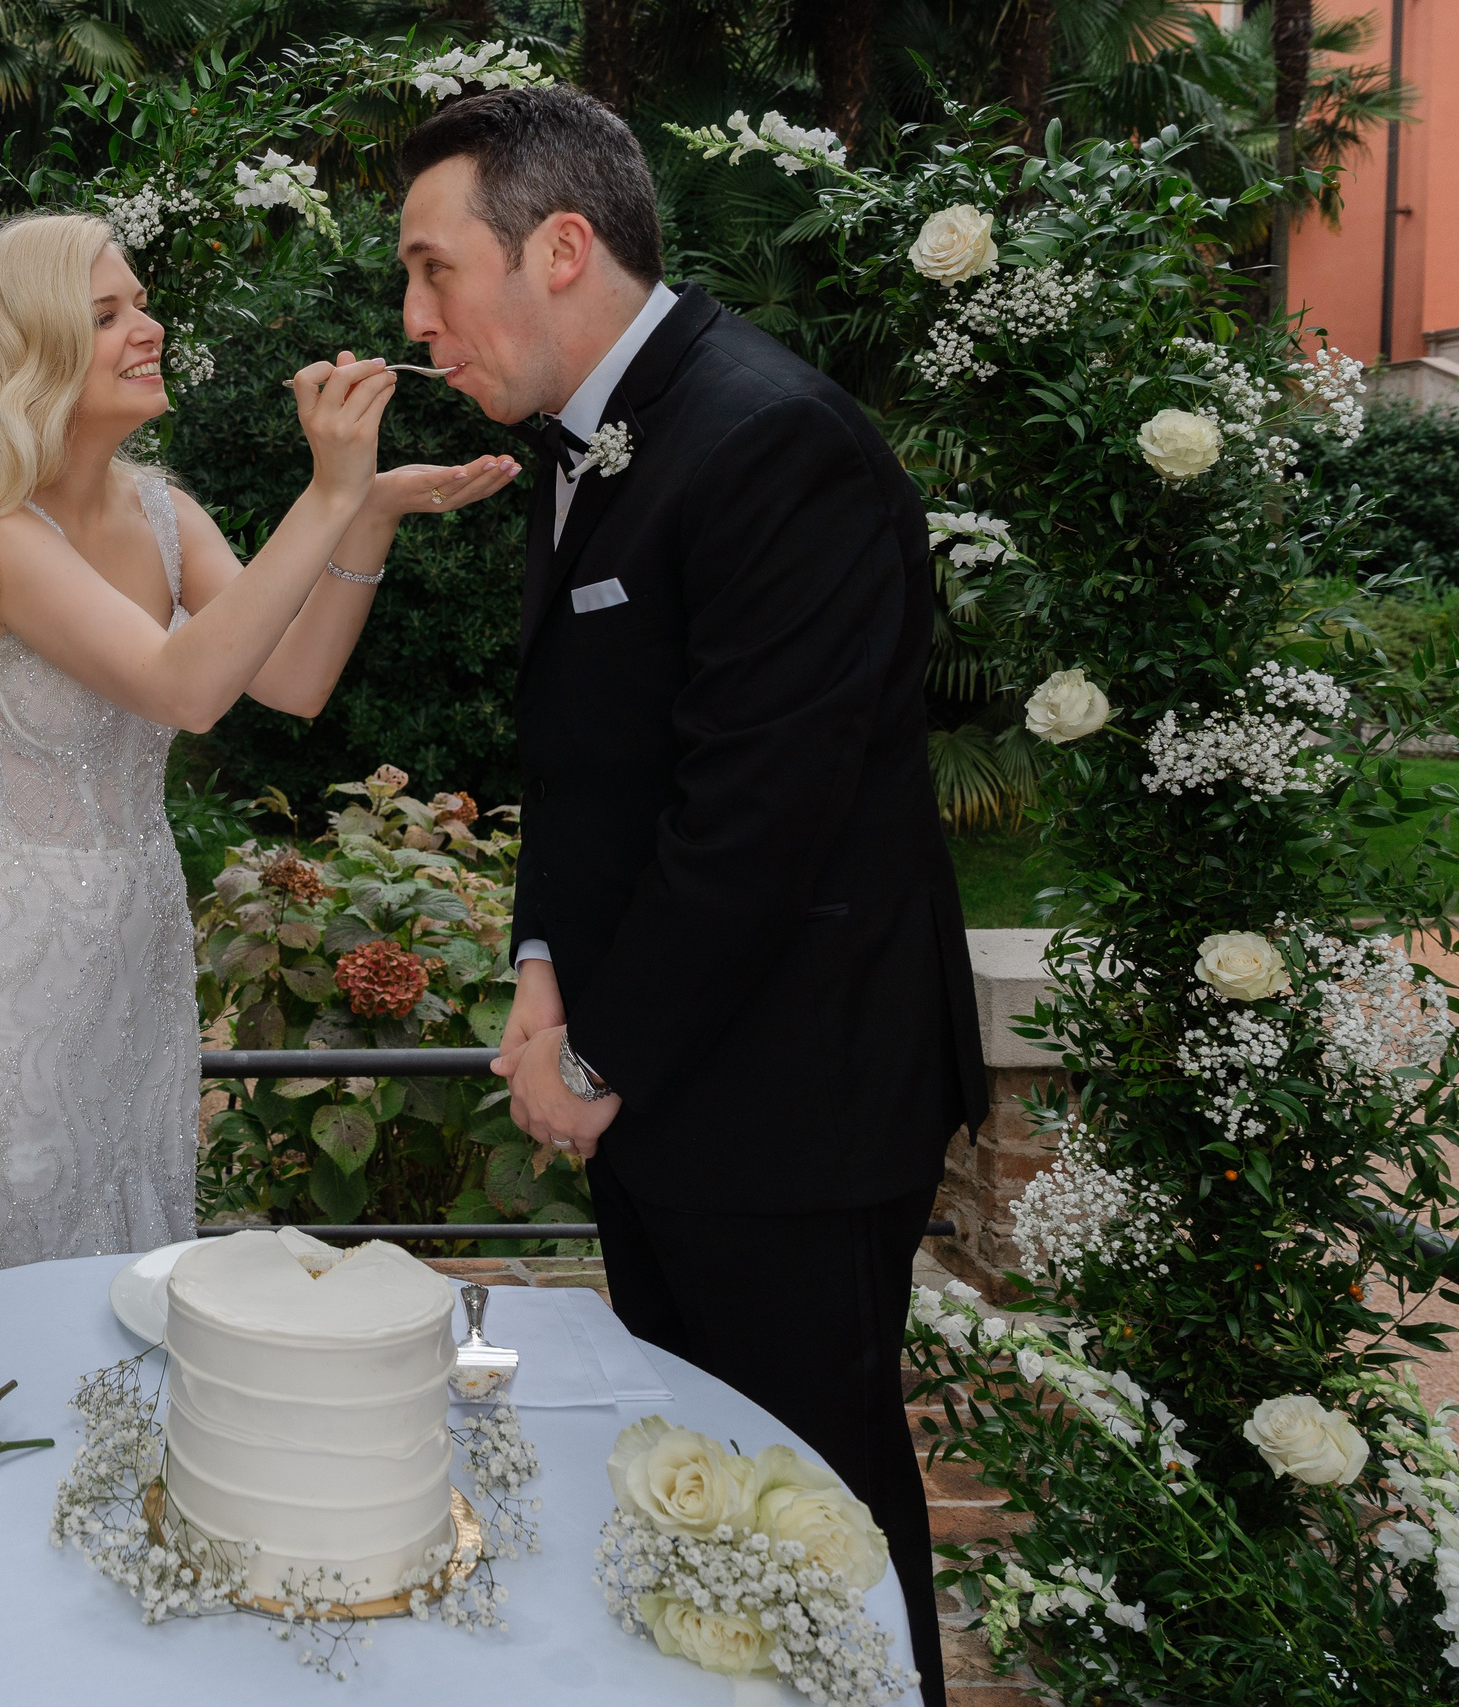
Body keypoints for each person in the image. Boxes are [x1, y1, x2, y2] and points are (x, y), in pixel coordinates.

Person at [397, 89, 984, 1704]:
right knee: (699, 1501)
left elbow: (756, 822)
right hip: (684, 1094)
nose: (414, 316)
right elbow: (595, 765)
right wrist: (538, 965)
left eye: (435, 269)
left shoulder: (778, 442)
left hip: (800, 1103)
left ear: (562, 249)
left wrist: (595, 1062)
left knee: (817, 1514)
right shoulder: (596, 438)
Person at [0, 211, 519, 1292]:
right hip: (6, 966)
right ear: (33, 357)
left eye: (141, 303)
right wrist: (329, 489)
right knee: (14, 1276)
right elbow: (188, 688)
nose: (148, 328)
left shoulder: (164, 514)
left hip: (137, 948)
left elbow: (290, 681)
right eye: (107, 314)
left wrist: (368, 519)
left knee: (130, 1263)